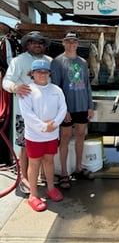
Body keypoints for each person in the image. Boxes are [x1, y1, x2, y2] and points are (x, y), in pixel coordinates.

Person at [3, 31, 52, 194]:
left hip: (46, 114)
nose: (37, 44)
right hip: (24, 114)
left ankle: (44, 175)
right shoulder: (18, 61)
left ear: (44, 45)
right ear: (27, 44)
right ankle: (24, 177)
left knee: (46, 146)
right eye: (33, 42)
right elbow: (6, 81)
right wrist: (15, 87)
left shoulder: (50, 61)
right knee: (25, 147)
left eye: (40, 42)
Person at [19, 59, 67, 211]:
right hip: (34, 136)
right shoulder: (27, 90)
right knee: (34, 163)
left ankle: (51, 187)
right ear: (32, 73)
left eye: (45, 72)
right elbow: (27, 114)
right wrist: (43, 127)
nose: (42, 74)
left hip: (52, 135)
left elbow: (62, 108)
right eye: (38, 72)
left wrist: (54, 124)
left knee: (49, 161)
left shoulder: (56, 90)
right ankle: (33, 195)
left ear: (49, 73)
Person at [51, 30, 95, 189]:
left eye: (74, 41)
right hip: (66, 109)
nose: (71, 44)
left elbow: (87, 85)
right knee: (65, 138)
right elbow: (55, 89)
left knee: (80, 136)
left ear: (77, 44)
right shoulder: (57, 62)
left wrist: (90, 105)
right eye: (68, 41)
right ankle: (63, 173)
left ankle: (78, 168)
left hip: (82, 106)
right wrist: (63, 110)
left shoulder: (83, 62)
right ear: (63, 43)